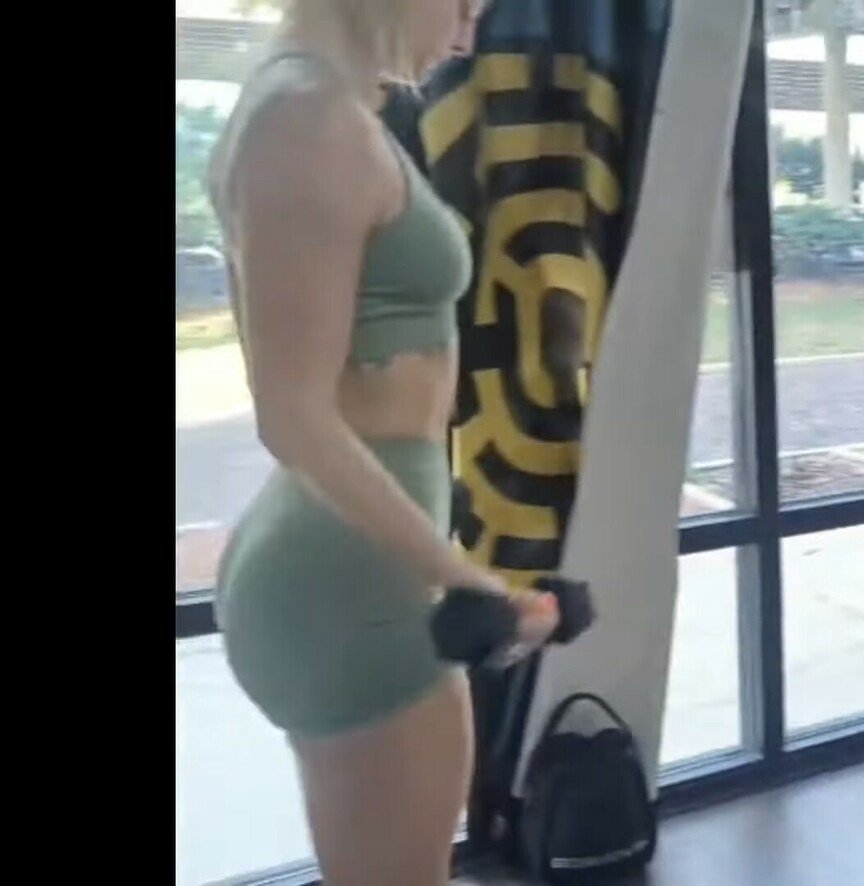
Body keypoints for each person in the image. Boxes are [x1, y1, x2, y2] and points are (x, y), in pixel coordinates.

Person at [207, 1, 558, 882]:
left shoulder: (319, 103)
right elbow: (290, 414)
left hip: (346, 563)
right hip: (350, 581)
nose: (467, 35)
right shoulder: (308, 120)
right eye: (463, 5)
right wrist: (463, 577)